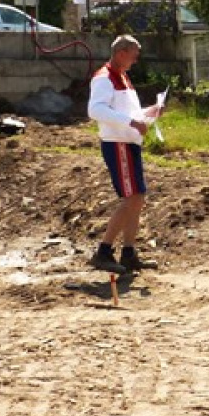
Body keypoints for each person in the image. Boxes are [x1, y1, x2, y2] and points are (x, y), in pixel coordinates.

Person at [86, 34, 165, 276]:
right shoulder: (104, 78)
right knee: (131, 198)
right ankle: (104, 251)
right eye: (133, 54)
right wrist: (131, 121)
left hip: (128, 143)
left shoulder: (122, 77)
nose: (135, 59)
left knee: (138, 197)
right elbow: (95, 109)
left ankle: (129, 253)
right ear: (121, 52)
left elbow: (127, 112)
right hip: (118, 143)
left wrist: (148, 113)